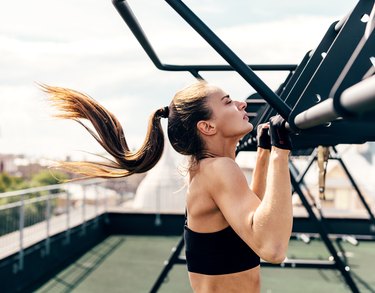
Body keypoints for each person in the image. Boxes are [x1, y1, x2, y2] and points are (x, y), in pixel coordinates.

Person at [44, 80, 293, 292]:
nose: (242, 104)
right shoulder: (219, 169)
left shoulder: (209, 169)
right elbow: (272, 247)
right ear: (207, 127)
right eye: (228, 102)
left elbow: (254, 226)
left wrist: (264, 153)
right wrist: (280, 153)